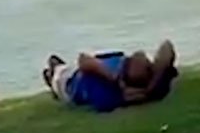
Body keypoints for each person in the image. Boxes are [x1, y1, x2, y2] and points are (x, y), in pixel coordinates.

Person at [43, 40, 178, 112]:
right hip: (80, 72)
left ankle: (52, 75)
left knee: (55, 69)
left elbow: (84, 60)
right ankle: (55, 70)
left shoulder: (108, 94)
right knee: (58, 65)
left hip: (69, 82)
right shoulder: (149, 76)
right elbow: (166, 47)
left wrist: (113, 78)